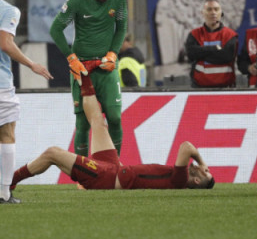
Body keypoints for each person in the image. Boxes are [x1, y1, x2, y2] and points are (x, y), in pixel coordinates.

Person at [10, 73, 214, 192]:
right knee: (98, 122)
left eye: (205, 172)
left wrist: (202, 160)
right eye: (207, 169)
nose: (204, 168)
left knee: (52, 153)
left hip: (107, 177)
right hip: (114, 168)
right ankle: (84, 75)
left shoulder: (180, 180)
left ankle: (9, 181)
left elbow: (187, 147)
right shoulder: (180, 179)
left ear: (196, 181)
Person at [49, 0, 127, 163]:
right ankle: (82, 174)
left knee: (115, 118)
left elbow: (121, 28)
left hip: (107, 67)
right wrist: (71, 58)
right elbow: (55, 29)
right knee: (83, 124)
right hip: (82, 69)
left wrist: (113, 53)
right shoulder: (77, 1)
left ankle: (114, 168)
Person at [0, 0, 53, 204]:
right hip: (1, 84)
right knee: (6, 133)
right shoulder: (8, 10)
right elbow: (5, 42)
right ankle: (3, 193)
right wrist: (32, 64)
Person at [185, 0, 238, 88]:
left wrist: (201, 53)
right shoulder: (194, 34)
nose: (213, 13)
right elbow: (191, 54)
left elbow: (227, 56)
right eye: (209, 9)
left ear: (221, 13)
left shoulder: (230, 35)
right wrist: (215, 48)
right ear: (202, 13)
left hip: (226, 88)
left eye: (216, 9)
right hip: (199, 88)